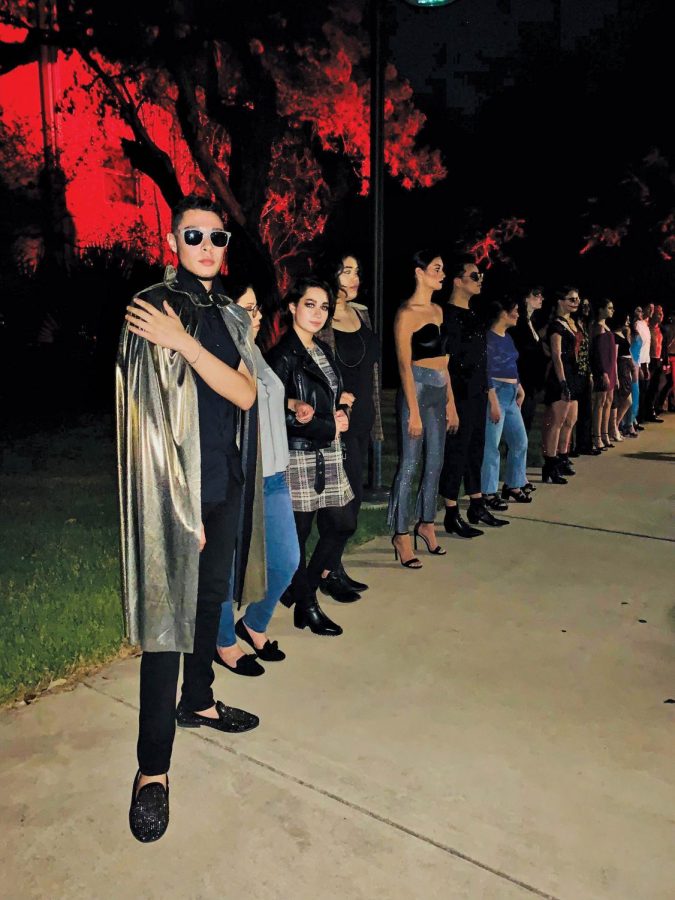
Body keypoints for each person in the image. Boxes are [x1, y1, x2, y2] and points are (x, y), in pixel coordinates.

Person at [117, 194, 263, 843]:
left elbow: (245, 391)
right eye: (193, 235)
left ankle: (198, 699)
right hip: (178, 488)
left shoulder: (223, 312)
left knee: (209, 601)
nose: (206, 246)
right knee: (166, 622)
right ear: (172, 242)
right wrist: (178, 507)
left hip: (224, 481)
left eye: (217, 237)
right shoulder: (155, 305)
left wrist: (191, 346)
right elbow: (146, 420)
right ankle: (153, 770)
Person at [214, 282, 301, 675]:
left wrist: (293, 404)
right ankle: (223, 642)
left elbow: (266, 398)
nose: (259, 315)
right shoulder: (221, 357)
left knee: (287, 560)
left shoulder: (254, 352)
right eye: (250, 308)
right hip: (242, 480)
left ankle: (253, 623)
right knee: (228, 568)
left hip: (275, 476)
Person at [266, 276, 355, 636]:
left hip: (328, 453)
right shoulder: (281, 355)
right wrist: (327, 426)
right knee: (298, 538)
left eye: (324, 307)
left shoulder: (322, 348)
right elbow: (277, 414)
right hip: (300, 455)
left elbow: (330, 393)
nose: (318, 313)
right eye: (309, 304)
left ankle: (302, 591)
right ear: (292, 307)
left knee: (342, 523)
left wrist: (342, 408)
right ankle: (307, 604)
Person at [316, 253, 383, 596]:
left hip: (362, 422)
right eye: (346, 271)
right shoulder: (320, 316)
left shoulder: (362, 314)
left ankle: (334, 566)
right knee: (339, 507)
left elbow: (370, 373)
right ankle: (324, 573)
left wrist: (376, 425)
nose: (355, 278)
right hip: (336, 425)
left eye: (357, 270)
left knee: (352, 500)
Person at [387, 249, 454, 566]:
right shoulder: (406, 313)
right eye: (437, 269)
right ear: (419, 272)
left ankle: (426, 522)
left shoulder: (439, 311)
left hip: (439, 391)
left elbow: (446, 360)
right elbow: (402, 365)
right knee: (410, 464)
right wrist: (412, 410)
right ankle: (401, 534)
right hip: (417, 389)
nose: (442, 274)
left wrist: (451, 403)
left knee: (435, 461)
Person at [439, 254, 508, 532]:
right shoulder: (447, 316)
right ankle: (451, 511)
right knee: (457, 451)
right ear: (457, 281)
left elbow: (483, 361)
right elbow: (444, 363)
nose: (480, 281)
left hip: (478, 392)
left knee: (476, 448)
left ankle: (477, 505)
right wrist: (450, 404)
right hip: (459, 394)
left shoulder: (474, 316)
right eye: (474, 276)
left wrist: (491, 396)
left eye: (481, 276)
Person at [481, 298, 530, 505]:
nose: (518, 314)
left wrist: (519, 387)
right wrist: (492, 401)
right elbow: (487, 371)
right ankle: (488, 491)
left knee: (520, 441)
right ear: (503, 313)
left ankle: (513, 484)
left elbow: (512, 365)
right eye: (515, 311)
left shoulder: (507, 337)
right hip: (496, 393)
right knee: (492, 445)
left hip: (510, 394)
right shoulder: (488, 338)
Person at [541, 287, 581, 484]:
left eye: (577, 298)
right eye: (571, 299)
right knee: (556, 422)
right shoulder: (556, 326)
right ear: (560, 301)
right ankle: (550, 464)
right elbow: (556, 355)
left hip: (573, 373)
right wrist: (563, 381)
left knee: (570, 420)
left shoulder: (569, 323)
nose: (576, 302)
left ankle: (562, 457)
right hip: (561, 375)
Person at [511, 285, 546, 438]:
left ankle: (520, 449)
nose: (541, 298)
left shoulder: (532, 322)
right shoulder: (518, 323)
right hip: (522, 377)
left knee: (528, 416)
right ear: (526, 298)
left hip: (532, 380)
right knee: (521, 416)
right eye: (536, 295)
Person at [590, 299, 617, 450]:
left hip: (611, 368)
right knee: (600, 402)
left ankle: (605, 433)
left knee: (609, 401)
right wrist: (603, 372)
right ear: (601, 310)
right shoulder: (598, 327)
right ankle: (597, 436)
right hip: (603, 369)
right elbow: (599, 353)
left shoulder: (606, 326)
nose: (612, 310)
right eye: (609, 307)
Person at [573, 297, 595, 455]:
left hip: (585, 370)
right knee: (572, 413)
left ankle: (584, 444)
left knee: (586, 409)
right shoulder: (573, 324)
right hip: (575, 372)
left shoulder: (586, 325)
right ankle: (568, 447)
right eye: (584, 305)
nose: (587, 308)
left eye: (588, 305)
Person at [611, 313, 636, 439]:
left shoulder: (624, 333)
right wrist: (615, 375)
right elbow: (614, 357)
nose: (628, 321)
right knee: (626, 399)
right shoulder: (615, 335)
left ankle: (615, 425)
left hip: (626, 366)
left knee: (627, 399)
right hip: (621, 366)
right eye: (625, 318)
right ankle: (614, 425)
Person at [644, 304, 666, 422]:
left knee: (656, 387)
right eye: (658, 313)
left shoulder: (661, 329)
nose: (661, 315)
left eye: (662, 313)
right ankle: (645, 412)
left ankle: (652, 410)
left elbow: (664, 347)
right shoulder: (647, 327)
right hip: (649, 359)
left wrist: (664, 360)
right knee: (647, 387)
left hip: (658, 360)